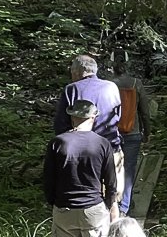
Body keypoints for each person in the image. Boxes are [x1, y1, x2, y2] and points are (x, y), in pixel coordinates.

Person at [42, 99, 117, 237]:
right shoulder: (102, 144)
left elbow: (48, 180)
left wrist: (53, 202)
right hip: (94, 209)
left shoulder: (58, 142)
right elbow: (111, 182)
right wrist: (109, 205)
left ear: (72, 117)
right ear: (93, 118)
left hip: (64, 209)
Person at [52, 52, 124, 200]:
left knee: (89, 198)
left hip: (85, 154)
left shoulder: (72, 89)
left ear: (77, 72)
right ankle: (115, 219)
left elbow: (60, 125)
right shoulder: (112, 87)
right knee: (113, 197)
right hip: (112, 149)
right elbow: (117, 116)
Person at [113, 62, 158, 215]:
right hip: (133, 133)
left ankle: (113, 204)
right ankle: (124, 207)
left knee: (112, 167)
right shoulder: (136, 83)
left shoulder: (108, 85)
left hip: (113, 134)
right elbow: (144, 111)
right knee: (129, 170)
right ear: (127, 66)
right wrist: (147, 132)